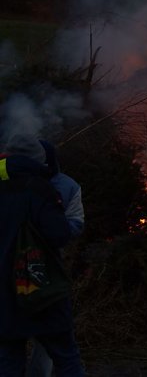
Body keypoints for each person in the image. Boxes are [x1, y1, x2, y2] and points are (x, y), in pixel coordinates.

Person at [0, 134, 85, 377]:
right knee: (65, 355)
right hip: (40, 284)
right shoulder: (40, 190)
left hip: (4, 290)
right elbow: (58, 235)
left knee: (8, 357)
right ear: (39, 160)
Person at [27, 141, 85, 377]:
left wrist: (55, 233)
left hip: (49, 267)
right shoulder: (14, 186)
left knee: (51, 336)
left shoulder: (66, 186)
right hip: (18, 269)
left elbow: (74, 224)